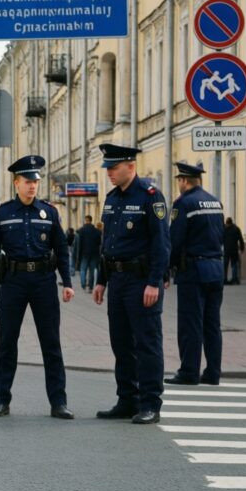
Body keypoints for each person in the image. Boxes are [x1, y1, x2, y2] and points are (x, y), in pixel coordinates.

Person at [0, 155, 75, 420]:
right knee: (7, 342)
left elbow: (62, 250)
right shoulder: (3, 213)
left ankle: (59, 402)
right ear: (16, 183)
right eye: (27, 181)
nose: (32, 186)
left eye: (35, 181)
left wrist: (67, 283)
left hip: (44, 282)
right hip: (14, 282)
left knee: (51, 343)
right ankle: (1, 401)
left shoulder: (49, 212)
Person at [92, 144, 171, 425]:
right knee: (121, 343)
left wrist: (155, 282)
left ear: (130, 166)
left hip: (141, 281)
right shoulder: (112, 199)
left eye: (114, 168)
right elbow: (107, 244)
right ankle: (127, 399)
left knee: (147, 343)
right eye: (108, 169)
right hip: (117, 280)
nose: (109, 173)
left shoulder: (151, 196)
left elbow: (162, 243)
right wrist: (101, 280)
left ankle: (150, 403)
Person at [165, 162, 224, 386]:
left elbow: (175, 240)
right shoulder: (215, 201)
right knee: (212, 324)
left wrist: (165, 271)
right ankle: (213, 372)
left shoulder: (184, 203)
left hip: (193, 271)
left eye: (178, 180)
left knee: (190, 324)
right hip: (215, 268)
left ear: (183, 180)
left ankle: (189, 371)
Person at [75, 215, 102, 292]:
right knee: (91, 271)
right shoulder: (97, 231)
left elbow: (79, 244)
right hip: (94, 254)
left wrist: (78, 256)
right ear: (91, 220)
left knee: (83, 269)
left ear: (85, 220)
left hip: (84, 253)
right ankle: (90, 287)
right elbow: (99, 243)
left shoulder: (81, 231)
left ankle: (83, 284)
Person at [222, 218, 244, 285]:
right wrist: (242, 248)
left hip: (226, 249)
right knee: (234, 264)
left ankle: (224, 279)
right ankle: (234, 279)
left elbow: (221, 238)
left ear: (227, 223)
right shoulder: (236, 229)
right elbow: (240, 239)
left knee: (225, 265)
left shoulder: (224, 229)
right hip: (234, 249)